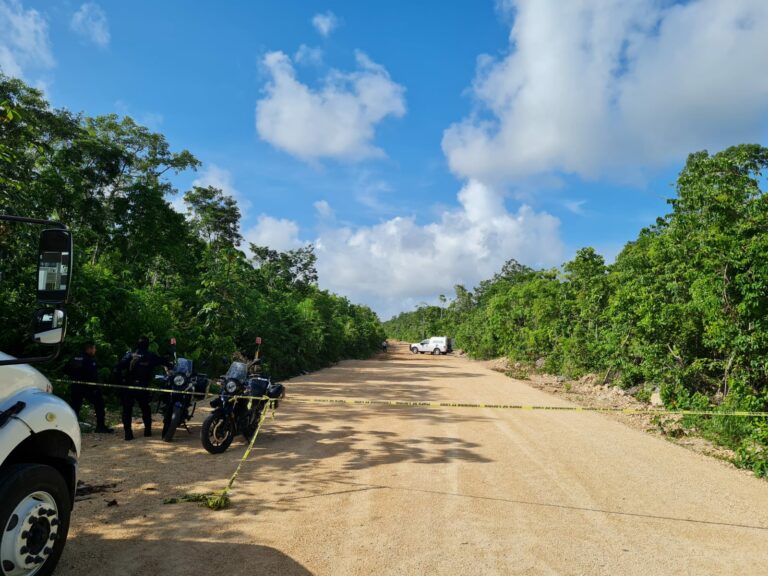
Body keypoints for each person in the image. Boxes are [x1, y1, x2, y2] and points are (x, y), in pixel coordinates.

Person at [114, 336, 170, 441]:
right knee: (145, 408)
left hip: (129, 386)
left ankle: (128, 434)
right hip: (143, 387)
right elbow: (164, 362)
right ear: (148, 345)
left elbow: (117, 368)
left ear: (137, 345)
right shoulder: (151, 356)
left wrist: (120, 382)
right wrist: (167, 358)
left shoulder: (130, 356)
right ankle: (147, 432)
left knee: (127, 410)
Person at [65, 341, 114, 433]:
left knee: (75, 407)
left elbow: (66, 370)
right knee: (99, 404)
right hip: (89, 388)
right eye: (94, 348)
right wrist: (96, 388)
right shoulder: (89, 360)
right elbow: (92, 375)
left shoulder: (75, 358)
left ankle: (69, 429)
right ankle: (100, 426)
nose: (95, 350)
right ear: (89, 349)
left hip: (75, 387)